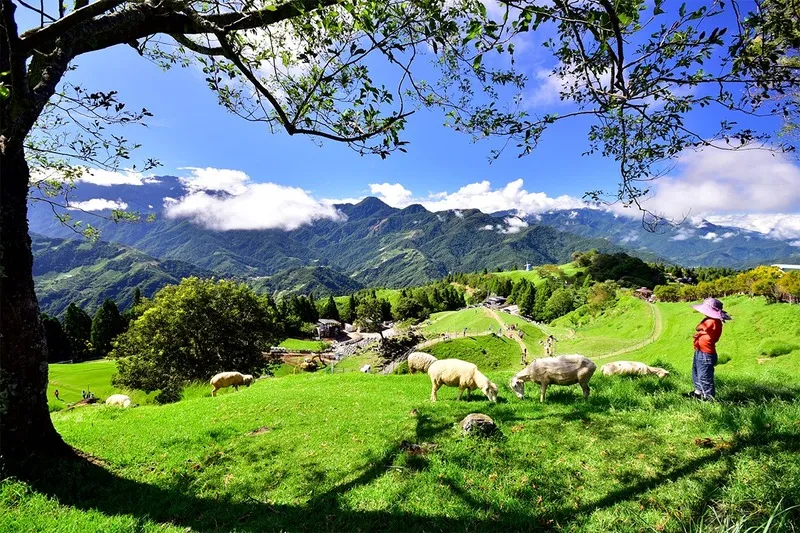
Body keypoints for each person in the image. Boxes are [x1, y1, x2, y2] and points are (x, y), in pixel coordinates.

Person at [688, 297, 732, 401]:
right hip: (700, 351)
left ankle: (709, 399)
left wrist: (701, 331)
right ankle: (698, 393)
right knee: (696, 372)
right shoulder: (712, 321)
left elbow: (699, 327)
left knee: (704, 377)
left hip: (706, 354)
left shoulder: (712, 321)